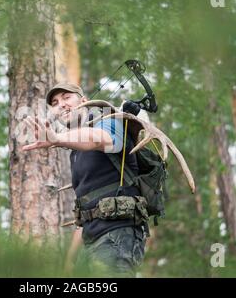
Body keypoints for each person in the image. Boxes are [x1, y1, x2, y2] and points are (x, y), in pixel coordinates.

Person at [22, 83, 146, 277]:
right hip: (91, 245)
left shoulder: (110, 122)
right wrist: (70, 262)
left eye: (66, 97)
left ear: (84, 101)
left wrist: (57, 138)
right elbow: (87, 210)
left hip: (117, 236)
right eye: (54, 103)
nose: (61, 105)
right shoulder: (76, 152)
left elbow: (98, 138)